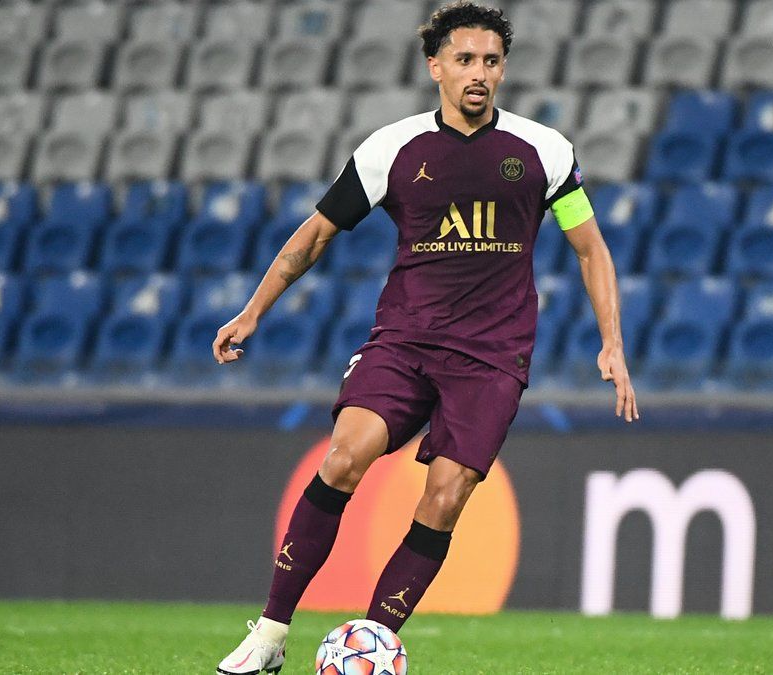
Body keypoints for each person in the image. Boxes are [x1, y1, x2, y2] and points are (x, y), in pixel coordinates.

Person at [214, 3, 637, 673]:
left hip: (492, 357)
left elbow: (591, 249)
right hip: (405, 340)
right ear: (435, 66)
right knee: (343, 458)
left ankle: (371, 646)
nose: (479, 73)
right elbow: (315, 235)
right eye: (465, 60)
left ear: (504, 70)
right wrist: (253, 311)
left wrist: (611, 341)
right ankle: (269, 635)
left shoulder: (545, 152)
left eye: (491, 61)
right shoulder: (391, 149)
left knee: (444, 497)